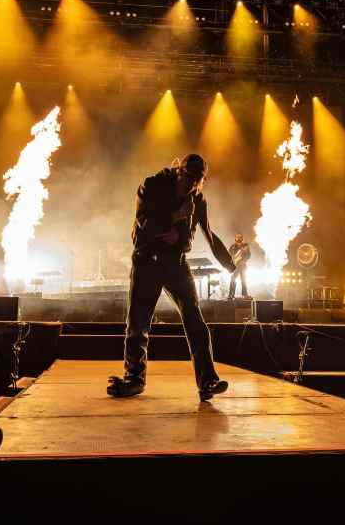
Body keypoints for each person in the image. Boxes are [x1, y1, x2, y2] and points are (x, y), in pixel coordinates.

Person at [108, 154, 237, 401]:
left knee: (195, 321)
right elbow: (142, 224)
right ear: (179, 171)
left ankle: (207, 381)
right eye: (188, 177)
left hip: (176, 263)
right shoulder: (153, 186)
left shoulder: (197, 199)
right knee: (138, 324)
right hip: (148, 261)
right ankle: (134, 379)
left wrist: (229, 265)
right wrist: (174, 217)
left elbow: (209, 234)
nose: (191, 184)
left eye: (197, 180)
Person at [227, 233, 251, 299]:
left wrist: (244, 258)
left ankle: (245, 295)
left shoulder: (245, 245)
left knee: (243, 279)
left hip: (243, 265)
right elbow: (229, 255)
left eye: (240, 237)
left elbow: (249, 255)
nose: (239, 238)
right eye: (237, 237)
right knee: (233, 278)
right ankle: (231, 294)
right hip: (235, 266)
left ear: (242, 238)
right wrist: (234, 259)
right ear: (235, 238)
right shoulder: (232, 247)